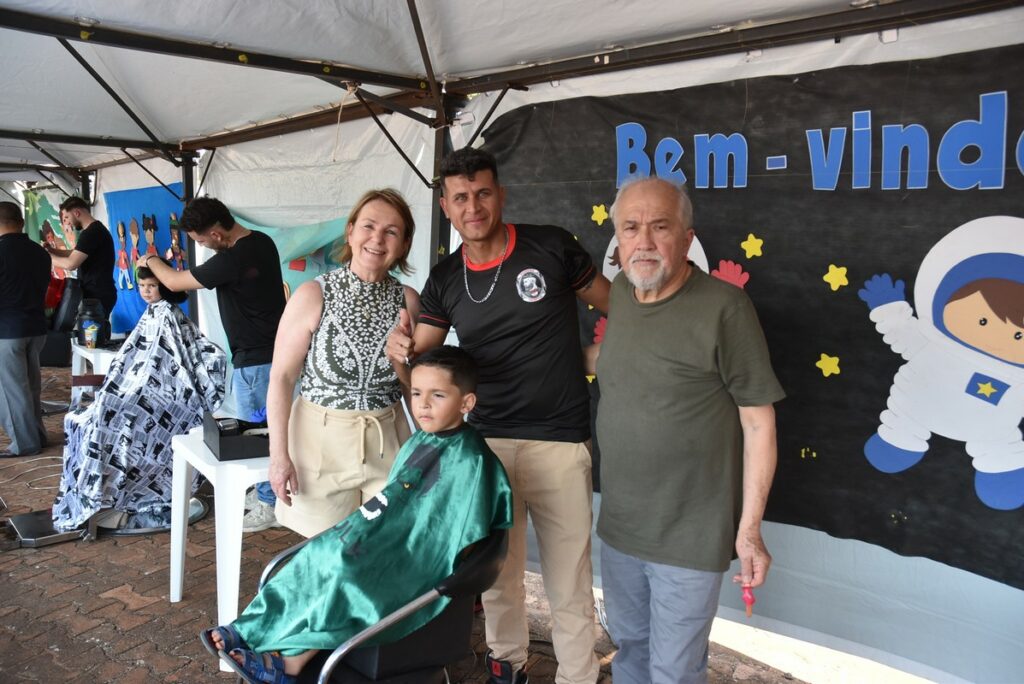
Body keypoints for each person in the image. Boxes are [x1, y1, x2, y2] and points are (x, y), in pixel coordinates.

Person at [387, 147, 610, 684]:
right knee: (497, 575)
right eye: (461, 197)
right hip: (484, 447)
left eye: (483, 193)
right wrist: (401, 357)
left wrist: (593, 358)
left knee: (569, 581)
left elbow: (619, 306)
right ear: (446, 205)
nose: (473, 206)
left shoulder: (552, 246)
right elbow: (425, 374)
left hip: (559, 441)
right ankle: (506, 669)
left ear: (500, 195)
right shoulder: (444, 278)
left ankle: (577, 677)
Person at [200, 346, 513, 683]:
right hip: (388, 539)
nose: (422, 404)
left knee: (344, 572)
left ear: (466, 403)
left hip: (420, 561)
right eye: (417, 392)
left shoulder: (472, 460)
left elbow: (458, 531)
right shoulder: (420, 441)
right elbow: (397, 502)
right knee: (316, 555)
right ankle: (251, 629)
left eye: (437, 395)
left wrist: (401, 552)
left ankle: (291, 662)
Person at [593, 177, 785, 684]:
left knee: (675, 671)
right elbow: (629, 363)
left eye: (661, 227)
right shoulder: (621, 293)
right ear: (618, 239)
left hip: (690, 534)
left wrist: (749, 531)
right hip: (620, 527)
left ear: (686, 237)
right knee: (630, 650)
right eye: (631, 228)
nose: (646, 241)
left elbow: (759, 421)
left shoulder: (725, 307)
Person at [266, 188, 419, 538]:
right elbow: (282, 378)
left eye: (391, 231)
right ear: (350, 232)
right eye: (368, 226)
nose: (377, 239)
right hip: (318, 446)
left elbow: (415, 386)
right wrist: (279, 457)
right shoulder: (313, 294)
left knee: (387, 550)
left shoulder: (408, 300)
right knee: (324, 559)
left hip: (389, 440)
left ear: (404, 244)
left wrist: (429, 447)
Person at [138, 197, 286, 531]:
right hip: (264, 353)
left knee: (262, 432)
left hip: (258, 358)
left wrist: (149, 258)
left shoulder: (234, 259)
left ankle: (270, 502)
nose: (203, 246)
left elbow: (175, 282)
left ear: (217, 233)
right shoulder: (261, 242)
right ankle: (266, 491)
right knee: (265, 427)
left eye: (202, 240)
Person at [51, 259, 226, 531]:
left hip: (165, 400)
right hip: (141, 394)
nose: (146, 291)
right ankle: (96, 499)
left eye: (152, 285)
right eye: (142, 285)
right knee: (83, 421)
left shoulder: (168, 315)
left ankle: (114, 499)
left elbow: (173, 368)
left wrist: (129, 393)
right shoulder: (152, 314)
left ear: (165, 286)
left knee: (104, 422)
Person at [0, 201, 51, 458]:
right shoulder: (39, 252)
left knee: (11, 390)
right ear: (20, 222)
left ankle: (23, 443)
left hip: (7, 329)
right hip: (36, 326)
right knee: (31, 385)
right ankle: (38, 436)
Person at [46, 196, 117, 317]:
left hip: (96, 295)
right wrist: (51, 251)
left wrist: (45, 256)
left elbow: (71, 264)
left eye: (67, 217)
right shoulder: (94, 231)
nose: (67, 222)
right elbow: (75, 253)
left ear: (77, 213)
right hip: (97, 293)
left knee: (92, 334)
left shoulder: (92, 233)